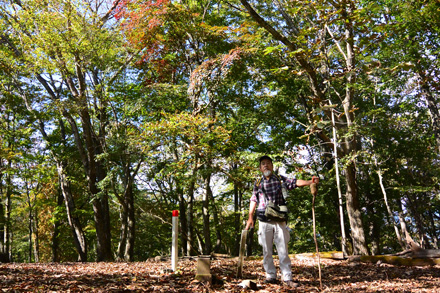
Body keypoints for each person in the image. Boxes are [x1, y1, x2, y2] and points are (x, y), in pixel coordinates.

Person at [245, 155, 319, 288]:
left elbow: (295, 182)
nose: (266, 165)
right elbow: (253, 199)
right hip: (264, 220)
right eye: (263, 164)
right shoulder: (257, 183)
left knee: (283, 249)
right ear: (260, 168)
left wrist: (309, 182)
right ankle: (271, 276)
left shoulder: (280, 180)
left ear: (272, 166)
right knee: (266, 250)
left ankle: (287, 277)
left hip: (279, 220)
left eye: (268, 163)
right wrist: (250, 217)